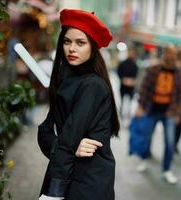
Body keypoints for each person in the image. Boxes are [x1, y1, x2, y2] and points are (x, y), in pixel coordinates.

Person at [38, 9, 120, 200]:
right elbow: (45, 133)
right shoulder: (65, 79)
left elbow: (67, 139)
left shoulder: (92, 85)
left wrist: (53, 193)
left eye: (80, 43)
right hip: (68, 171)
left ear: (92, 47)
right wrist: (69, 145)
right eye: (67, 41)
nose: (71, 48)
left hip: (88, 181)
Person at [134, 45, 181, 184]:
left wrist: (178, 113)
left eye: (175, 54)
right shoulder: (154, 69)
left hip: (169, 112)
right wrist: (140, 106)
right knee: (147, 136)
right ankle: (143, 159)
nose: (172, 56)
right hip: (152, 109)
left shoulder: (178, 72)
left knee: (169, 141)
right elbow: (144, 88)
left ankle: (167, 170)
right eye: (170, 53)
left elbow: (180, 95)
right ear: (165, 54)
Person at [117, 46, 139, 118]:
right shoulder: (123, 63)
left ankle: (128, 113)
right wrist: (123, 79)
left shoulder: (135, 65)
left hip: (131, 86)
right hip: (123, 85)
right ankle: (121, 113)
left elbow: (136, 74)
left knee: (130, 100)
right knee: (122, 100)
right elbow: (119, 72)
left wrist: (132, 81)